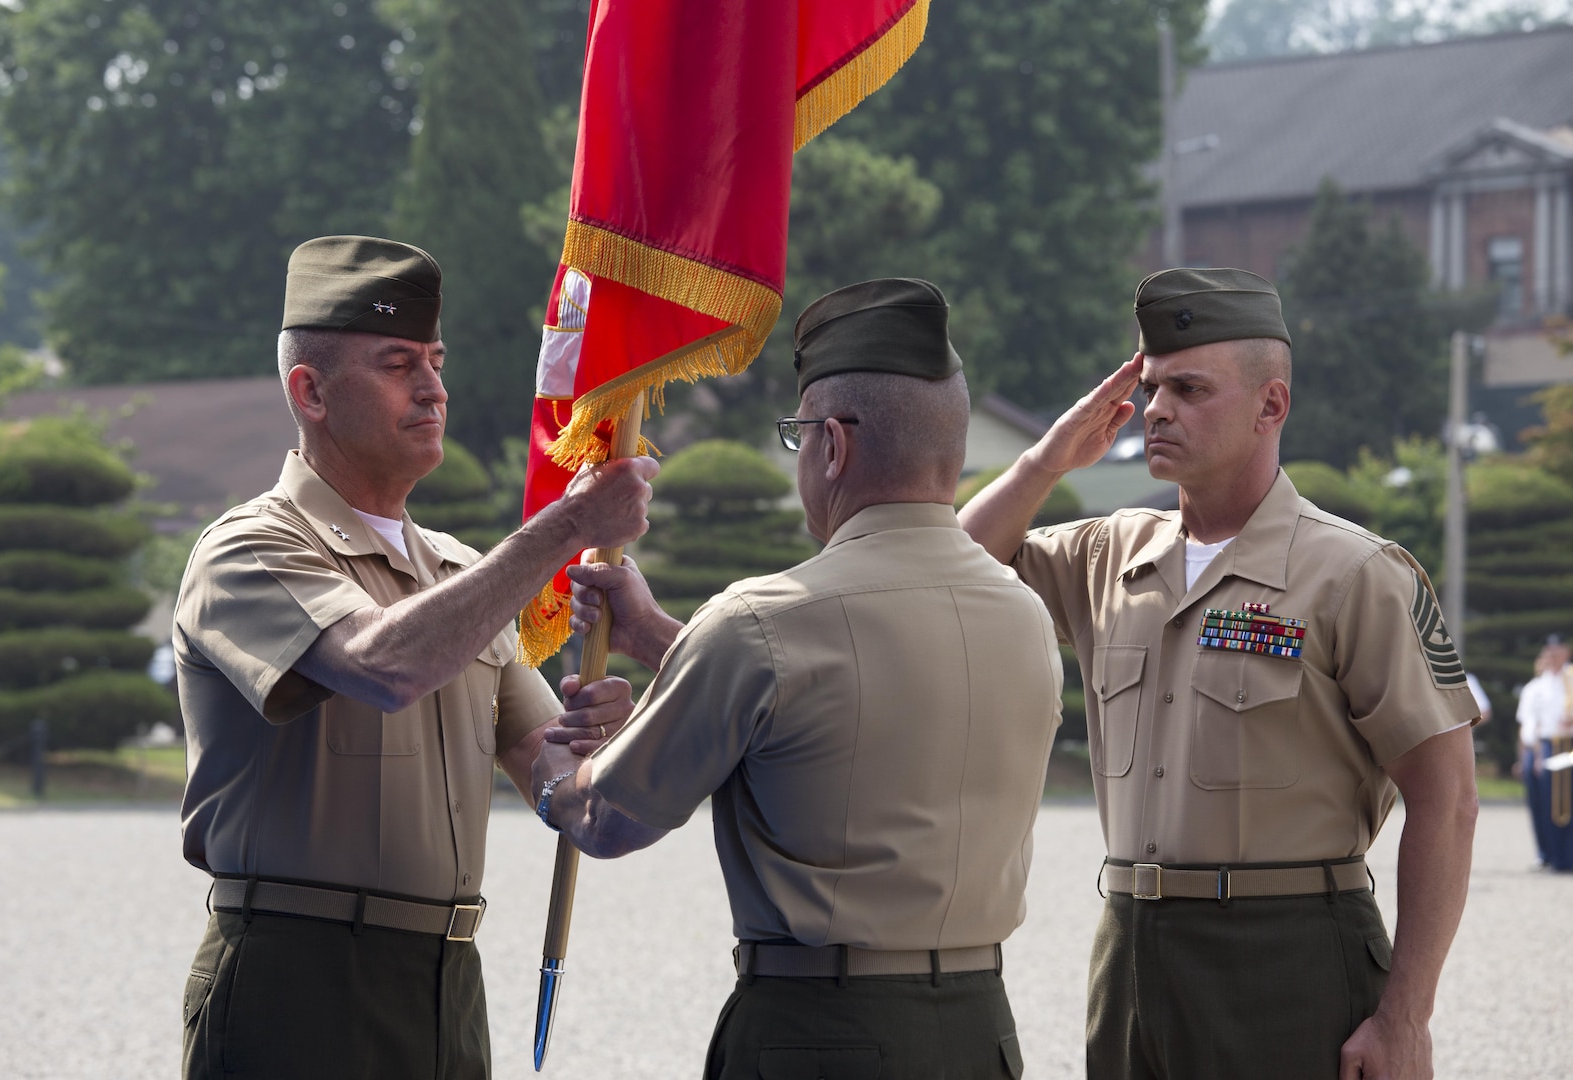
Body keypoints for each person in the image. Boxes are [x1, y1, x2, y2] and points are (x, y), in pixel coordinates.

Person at [532, 279, 1065, 1078]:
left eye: (799, 435)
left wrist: (550, 769)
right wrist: (656, 639)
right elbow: (849, 710)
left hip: (818, 1034)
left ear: (834, 447)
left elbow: (610, 820)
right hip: (979, 1031)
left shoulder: (761, 621)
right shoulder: (1024, 616)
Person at [959, 267, 1480, 1080]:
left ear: (1271, 406)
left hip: (1289, 954)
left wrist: (1404, 1017)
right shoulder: (1109, 556)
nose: (1157, 409)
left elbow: (1447, 800)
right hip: (1131, 948)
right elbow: (954, 574)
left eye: (1190, 389)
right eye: (1152, 385)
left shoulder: (1353, 573)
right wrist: (1045, 460)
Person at [173, 235, 656, 1080]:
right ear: (310, 391)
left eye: (435, 360)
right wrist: (564, 530)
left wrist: (598, 740)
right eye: (398, 363)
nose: (433, 386)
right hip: (299, 975)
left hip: (445, 982)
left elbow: (563, 791)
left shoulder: (463, 576)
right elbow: (382, 664)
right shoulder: (248, 547)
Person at [1516, 635, 1573, 870]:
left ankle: (1566, 855)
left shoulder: (1570, 679)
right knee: (1543, 801)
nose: (1552, 657)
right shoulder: (1536, 687)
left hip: (1568, 744)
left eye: (1557, 651)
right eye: (1549, 652)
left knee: (1565, 802)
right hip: (1545, 745)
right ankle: (1547, 853)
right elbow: (1528, 725)